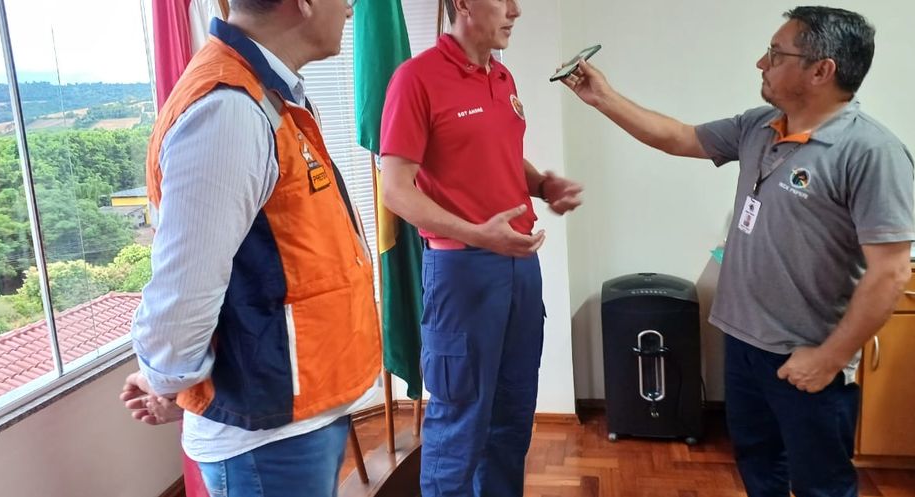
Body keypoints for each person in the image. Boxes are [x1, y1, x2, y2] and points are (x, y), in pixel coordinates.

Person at [563, 6, 913, 497]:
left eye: (776, 53)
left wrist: (830, 358)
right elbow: (679, 137)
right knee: (758, 467)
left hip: (806, 356)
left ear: (821, 70)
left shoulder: (871, 152)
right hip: (744, 343)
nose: (761, 63)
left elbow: (891, 272)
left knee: (822, 484)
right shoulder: (760, 125)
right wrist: (603, 97)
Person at [118, 1, 381, 496]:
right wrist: (167, 378)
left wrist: (168, 380)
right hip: (266, 437)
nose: (349, 9)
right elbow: (183, 289)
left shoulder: (266, 93)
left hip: (296, 415)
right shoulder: (228, 110)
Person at [379, 1, 583, 495]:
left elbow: (500, 155)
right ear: (464, 4)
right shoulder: (416, 79)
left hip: (520, 267)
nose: (516, 10)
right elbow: (396, 190)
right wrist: (477, 234)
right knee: (459, 425)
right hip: (461, 273)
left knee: (512, 415)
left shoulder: (502, 76)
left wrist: (542, 184)